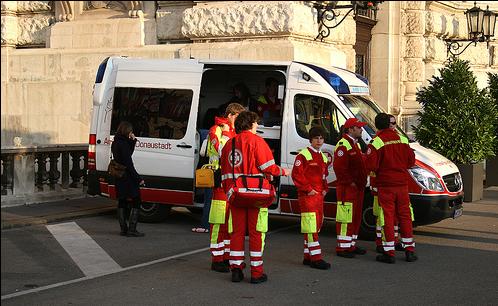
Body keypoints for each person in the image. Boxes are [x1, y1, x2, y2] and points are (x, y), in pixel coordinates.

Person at [221, 111, 290, 284]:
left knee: (236, 232)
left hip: (235, 194)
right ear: (250, 124)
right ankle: (256, 273)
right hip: (255, 195)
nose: (257, 125)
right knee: (255, 233)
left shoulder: (229, 144)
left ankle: (236, 269)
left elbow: (223, 172)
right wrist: (284, 171)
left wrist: (229, 190)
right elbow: (269, 168)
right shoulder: (257, 141)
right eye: (256, 123)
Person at [366, 113, 417, 264]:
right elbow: (411, 161)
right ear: (389, 124)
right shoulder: (402, 139)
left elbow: (371, 166)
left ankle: (389, 252)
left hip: (386, 185)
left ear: (377, 126)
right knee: (405, 216)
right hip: (402, 184)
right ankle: (409, 250)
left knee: (387, 217)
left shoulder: (376, 142)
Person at [206, 103, 246, 273]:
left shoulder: (236, 132)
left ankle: (228, 257)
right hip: (220, 181)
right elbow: (222, 150)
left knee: (231, 222)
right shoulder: (217, 129)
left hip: (233, 182)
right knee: (218, 221)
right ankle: (217, 259)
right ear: (231, 115)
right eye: (238, 117)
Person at [291, 126, 331, 270]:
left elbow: (324, 176)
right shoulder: (304, 155)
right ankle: (316, 259)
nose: (319, 141)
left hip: (319, 196)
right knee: (311, 227)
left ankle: (308, 257)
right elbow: (296, 175)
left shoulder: (323, 157)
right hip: (308, 197)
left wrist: (325, 189)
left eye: (321, 138)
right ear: (310, 140)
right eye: (316, 138)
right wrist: (308, 190)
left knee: (316, 225)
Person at [332, 118, 368, 258]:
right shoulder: (343, 144)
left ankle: (351, 244)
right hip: (348, 188)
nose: (361, 129)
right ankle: (343, 247)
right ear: (350, 129)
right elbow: (340, 168)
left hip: (356, 187)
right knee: (346, 217)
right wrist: (350, 183)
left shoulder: (354, 144)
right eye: (358, 127)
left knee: (355, 217)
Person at [111, 121, 145, 237]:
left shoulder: (116, 142)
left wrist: (133, 141)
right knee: (136, 200)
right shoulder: (124, 144)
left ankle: (123, 229)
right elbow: (128, 162)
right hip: (127, 177)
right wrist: (139, 178)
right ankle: (132, 229)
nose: (131, 132)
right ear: (127, 131)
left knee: (122, 200)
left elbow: (127, 154)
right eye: (130, 130)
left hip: (119, 176)